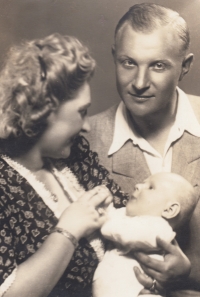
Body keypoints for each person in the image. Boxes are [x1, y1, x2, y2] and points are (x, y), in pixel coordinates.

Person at [0, 33, 129, 297]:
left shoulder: (74, 153)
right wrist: (68, 230)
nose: (87, 126)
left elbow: (129, 213)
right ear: (44, 112)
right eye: (81, 112)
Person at [85, 3, 200, 296]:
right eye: (128, 62)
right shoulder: (84, 140)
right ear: (114, 57)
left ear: (185, 67)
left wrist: (190, 275)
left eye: (158, 65)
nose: (138, 82)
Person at [93, 173, 197, 297]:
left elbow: (125, 234)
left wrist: (105, 223)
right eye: (142, 182)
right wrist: (106, 206)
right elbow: (111, 216)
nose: (137, 185)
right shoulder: (125, 216)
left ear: (169, 210)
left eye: (150, 187)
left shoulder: (159, 228)